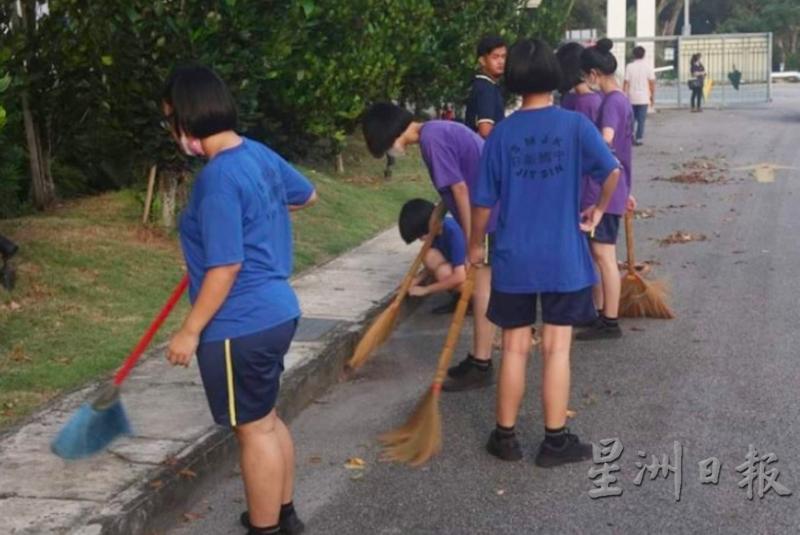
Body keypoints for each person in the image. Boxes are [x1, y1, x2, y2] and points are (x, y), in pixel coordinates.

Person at [162, 65, 317, 535]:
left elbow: (225, 267)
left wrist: (189, 331)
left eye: (169, 119)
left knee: (252, 430)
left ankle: (264, 528)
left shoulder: (217, 179)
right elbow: (306, 195)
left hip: (239, 324)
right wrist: (259, 216)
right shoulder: (256, 153)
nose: (170, 130)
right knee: (266, 421)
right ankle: (283, 517)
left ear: (185, 120)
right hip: (277, 312)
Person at [469, 38, 620, 465]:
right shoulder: (574, 126)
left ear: (513, 79)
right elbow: (611, 169)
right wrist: (596, 212)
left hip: (514, 256)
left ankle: (506, 438)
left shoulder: (501, 134)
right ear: (554, 76)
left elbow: (482, 203)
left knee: (514, 346)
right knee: (556, 348)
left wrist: (474, 247)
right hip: (562, 256)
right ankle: (555, 441)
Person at [362, 104, 497, 391]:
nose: (390, 153)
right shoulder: (435, 132)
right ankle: (479, 359)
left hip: (489, 217)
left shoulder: (432, 140)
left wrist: (473, 240)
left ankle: (482, 363)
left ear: (390, 135)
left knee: (483, 292)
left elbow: (460, 189)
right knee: (483, 291)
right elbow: (455, 184)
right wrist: (438, 213)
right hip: (487, 213)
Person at [576, 38, 636, 342]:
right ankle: (604, 316)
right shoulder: (622, 100)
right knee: (603, 255)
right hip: (616, 185)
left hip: (606, 187)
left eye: (587, 75)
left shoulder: (611, 102)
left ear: (594, 73)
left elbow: (606, 142)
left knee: (604, 255)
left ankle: (609, 321)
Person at [398, 198, 467, 299]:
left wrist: (426, 290)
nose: (422, 240)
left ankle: (470, 300)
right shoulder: (434, 234)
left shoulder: (453, 231)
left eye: (422, 235)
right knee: (428, 255)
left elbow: (459, 276)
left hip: (474, 274)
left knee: (443, 272)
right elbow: (430, 267)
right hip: (459, 267)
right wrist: (415, 280)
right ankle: (458, 296)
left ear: (430, 223)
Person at [465, 35, 507, 139]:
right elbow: (485, 130)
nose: (501, 62)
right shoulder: (486, 88)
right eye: (495, 57)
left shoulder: (483, 84)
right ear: (482, 60)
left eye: (504, 56)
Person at [624, 46, 656, 145]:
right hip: (643, 98)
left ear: (634, 54)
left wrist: (624, 94)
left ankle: (630, 137)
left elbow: (626, 82)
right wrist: (652, 96)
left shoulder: (629, 66)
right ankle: (639, 138)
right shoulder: (648, 67)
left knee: (631, 119)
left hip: (631, 97)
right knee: (641, 120)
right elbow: (652, 83)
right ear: (644, 55)